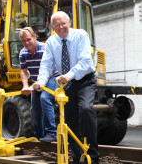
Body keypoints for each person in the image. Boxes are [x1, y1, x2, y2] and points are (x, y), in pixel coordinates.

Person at [32, 11, 99, 164]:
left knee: (86, 110)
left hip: (85, 80)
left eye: (63, 23)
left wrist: (69, 75)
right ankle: (77, 158)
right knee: (70, 121)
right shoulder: (50, 42)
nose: (61, 27)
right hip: (67, 84)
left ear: (69, 22)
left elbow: (84, 61)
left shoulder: (81, 35)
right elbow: (46, 64)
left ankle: (93, 157)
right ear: (52, 27)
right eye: (56, 25)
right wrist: (41, 81)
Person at [19, 27, 58, 143]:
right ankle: (39, 136)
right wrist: (25, 86)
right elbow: (23, 71)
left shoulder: (45, 49)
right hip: (36, 82)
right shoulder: (23, 53)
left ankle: (51, 133)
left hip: (51, 78)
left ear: (35, 37)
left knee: (44, 98)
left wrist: (35, 86)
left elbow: (49, 71)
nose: (26, 43)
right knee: (34, 108)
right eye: (23, 41)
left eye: (28, 39)